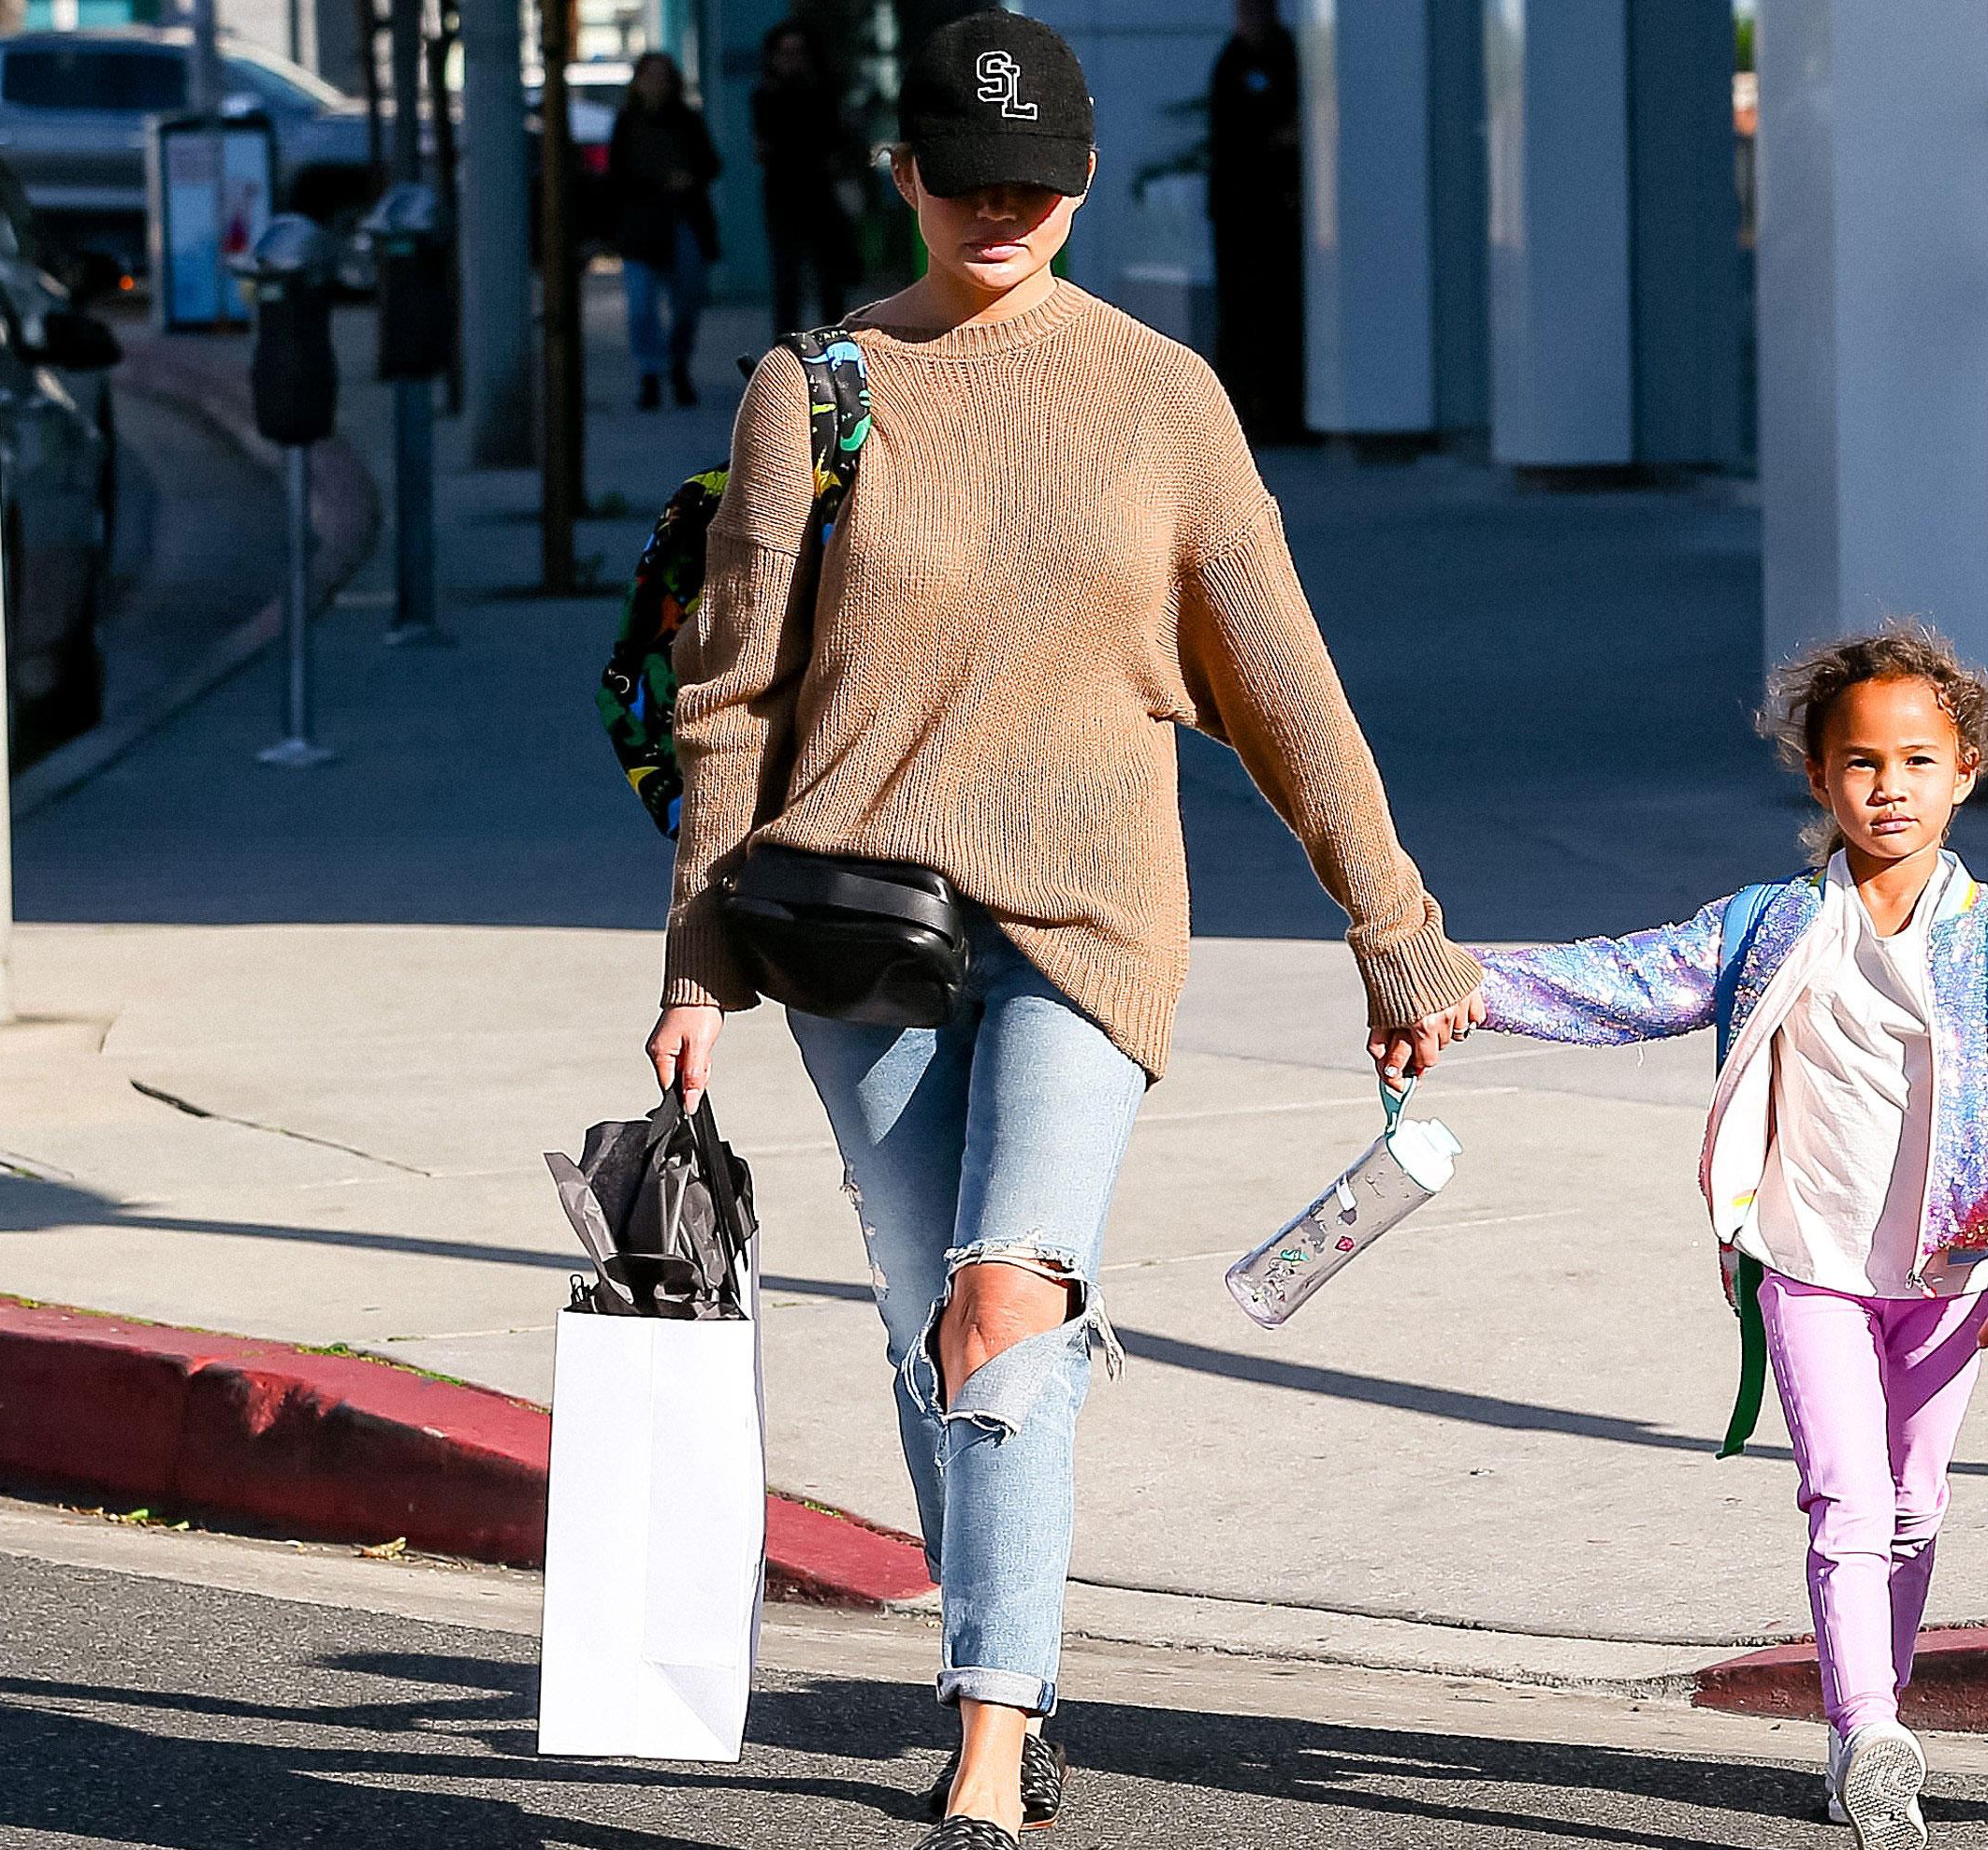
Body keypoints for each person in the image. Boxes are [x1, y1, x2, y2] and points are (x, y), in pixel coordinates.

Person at [644, 12, 1483, 1846]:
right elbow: (726, 697)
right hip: (859, 921)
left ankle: (990, 1742)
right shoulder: (815, 390)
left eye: (1037, 182)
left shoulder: (1161, 396)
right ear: (903, 178)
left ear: (1088, 181)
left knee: (1002, 1290)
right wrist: (698, 961)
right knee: (922, 1313)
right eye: (966, 181)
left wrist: (1391, 926)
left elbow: (1279, 680)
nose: (1002, 210)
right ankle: (997, 1647)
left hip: (1090, 919)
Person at [1473, 624, 1988, 1850]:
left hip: (1953, 1282)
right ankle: (1867, 1730)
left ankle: (1877, 1727)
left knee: (1914, 1504)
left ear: (1966, 770)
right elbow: (1630, 978)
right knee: (1847, 1498)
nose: (1889, 786)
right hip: (1808, 1264)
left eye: (1918, 760)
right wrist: (1470, 988)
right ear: (1817, 777)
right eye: (1860, 762)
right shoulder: (1769, 928)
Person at [1205, 0, 1304, 443]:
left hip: (1280, 216)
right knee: (1242, 315)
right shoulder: (1231, 62)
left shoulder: (1286, 56)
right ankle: (1246, 414)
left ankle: (1286, 414)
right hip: (1240, 216)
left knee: (1282, 314)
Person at [609, 51, 721, 408]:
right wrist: (657, 182)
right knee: (641, 307)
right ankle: (650, 372)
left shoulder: (687, 121)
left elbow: (711, 163)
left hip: (684, 220)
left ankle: (677, 365)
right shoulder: (627, 122)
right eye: (650, 77)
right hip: (641, 226)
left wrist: (688, 180)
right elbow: (616, 174)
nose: (657, 85)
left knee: (686, 304)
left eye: (663, 77)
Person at [753, 20, 864, 336]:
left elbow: (834, 142)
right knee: (787, 282)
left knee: (830, 280)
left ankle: (833, 347)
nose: (791, 60)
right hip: (784, 196)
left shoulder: (824, 92)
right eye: (784, 53)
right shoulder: (766, 96)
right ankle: (786, 353)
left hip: (821, 196)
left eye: (798, 52)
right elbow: (767, 147)